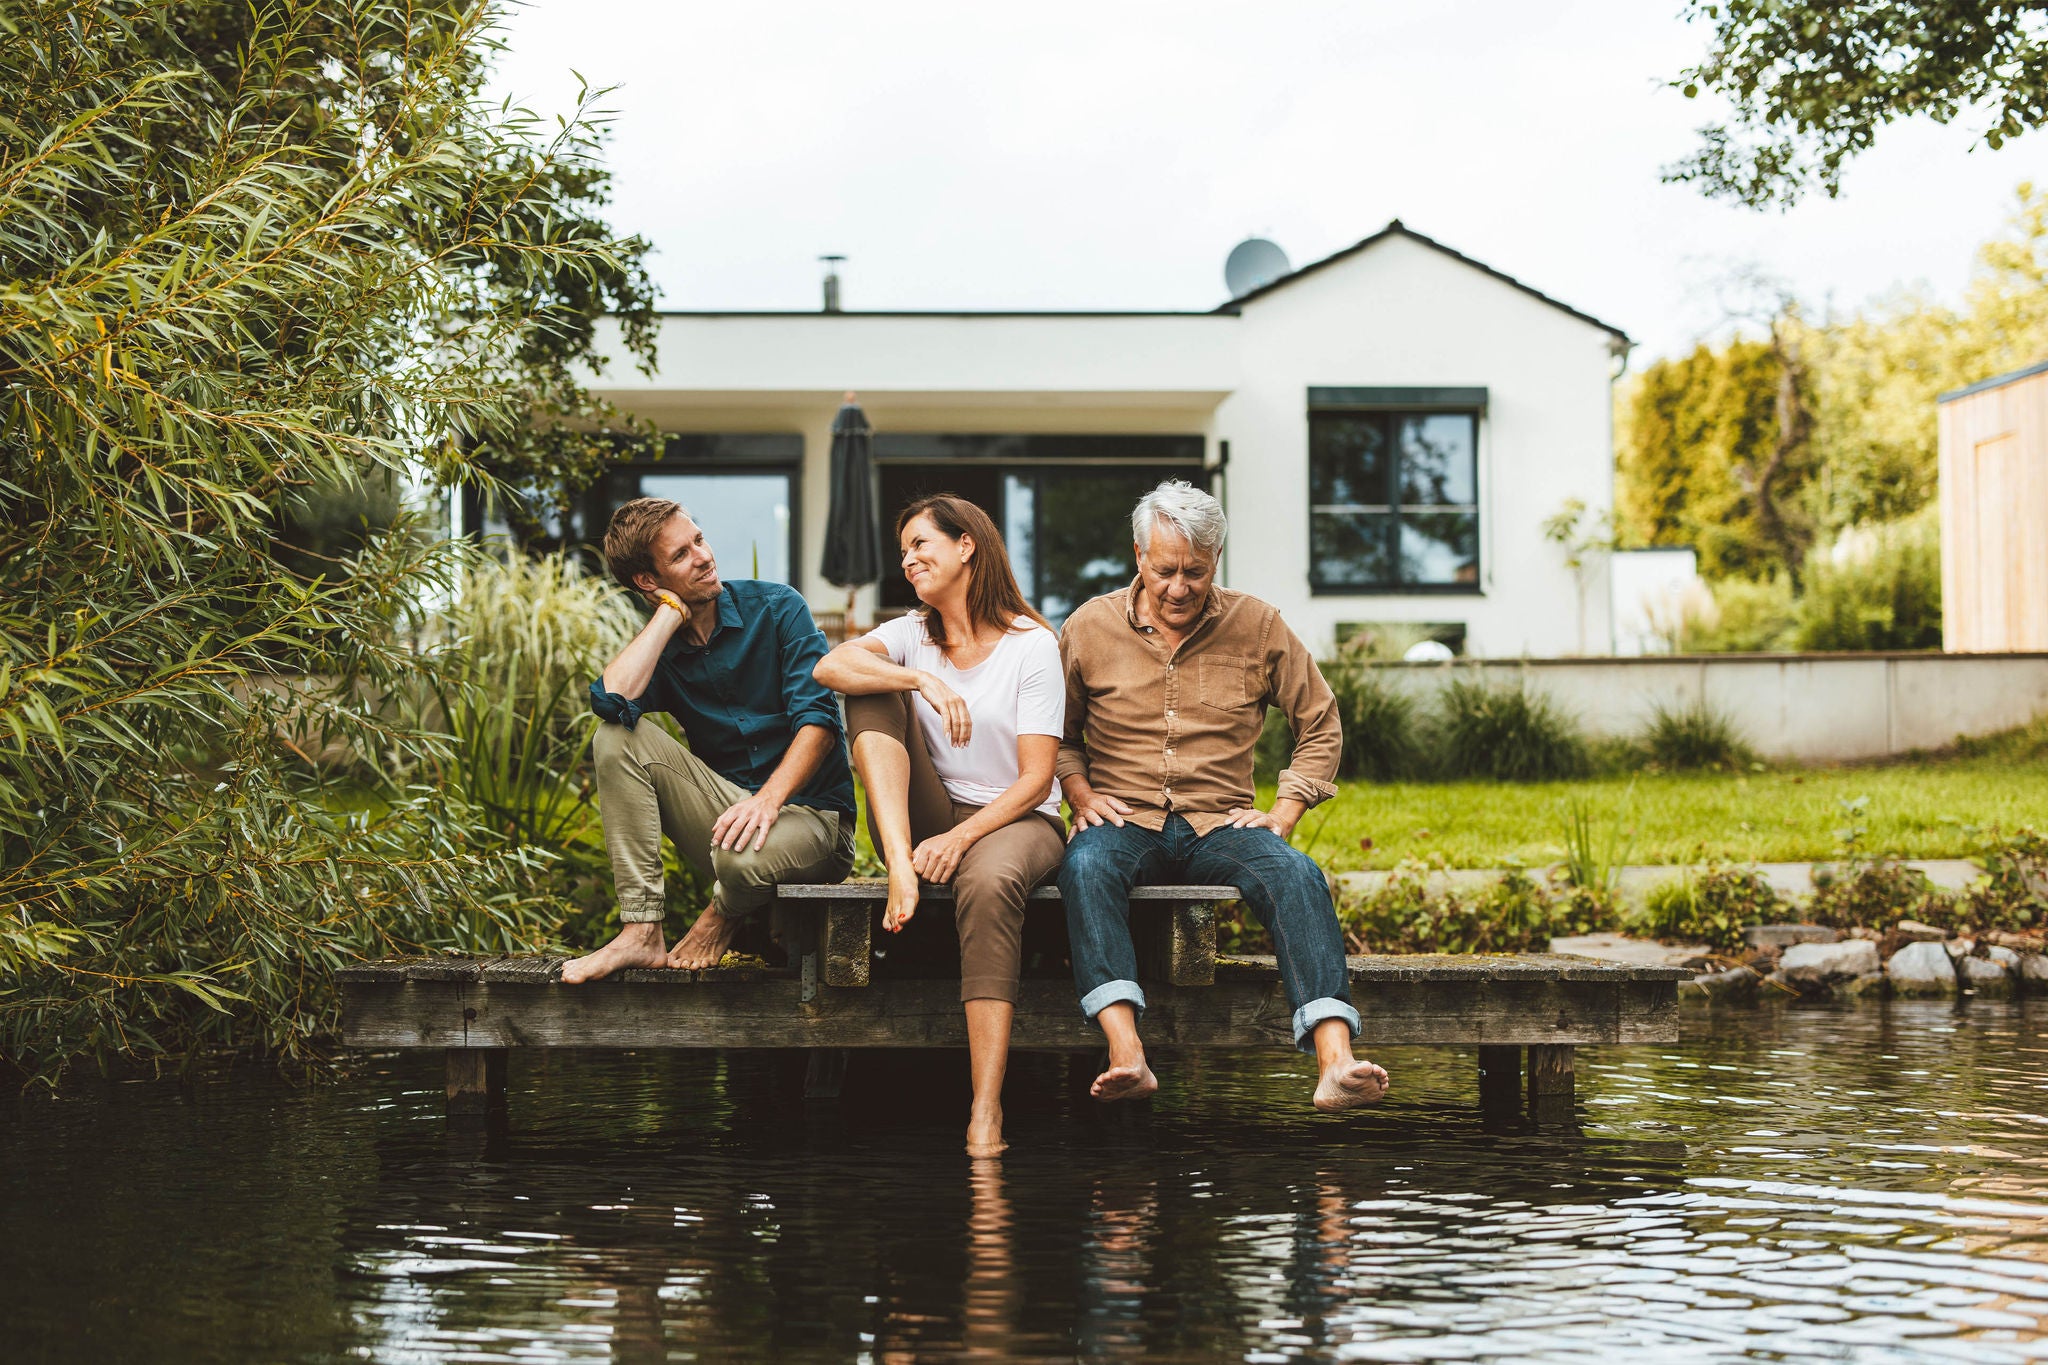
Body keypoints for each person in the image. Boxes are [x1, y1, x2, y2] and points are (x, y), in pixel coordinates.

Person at [1055, 480, 1389, 1112]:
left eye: (1195, 572)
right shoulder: (1088, 627)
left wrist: (1286, 808)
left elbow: (1320, 722)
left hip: (1222, 823)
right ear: (1137, 556)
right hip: (1123, 817)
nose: (1179, 588)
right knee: (1085, 866)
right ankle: (1127, 1052)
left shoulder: (1258, 625)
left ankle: (1335, 1061)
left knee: (1295, 874)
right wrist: (1079, 792)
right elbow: (1057, 733)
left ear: (1216, 562)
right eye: (1164, 571)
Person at [813, 494, 1066, 1156]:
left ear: (966, 546)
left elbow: (1038, 778)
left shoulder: (1032, 645)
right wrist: (920, 682)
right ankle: (898, 861)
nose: (908, 560)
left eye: (920, 544)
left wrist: (960, 836)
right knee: (870, 689)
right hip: (919, 815)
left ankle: (985, 1108)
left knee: (986, 886)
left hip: (1017, 815)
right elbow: (829, 666)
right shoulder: (910, 634)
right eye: (903, 551)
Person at [562, 497, 856, 984]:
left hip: (814, 822)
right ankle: (641, 930)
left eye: (699, 539)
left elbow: (820, 724)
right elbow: (612, 702)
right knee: (616, 738)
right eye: (680, 555)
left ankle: (720, 917)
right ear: (647, 581)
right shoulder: (665, 648)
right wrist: (667, 616)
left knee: (740, 858)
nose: (703, 556)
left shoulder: (778, 608)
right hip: (730, 825)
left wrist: (767, 801)